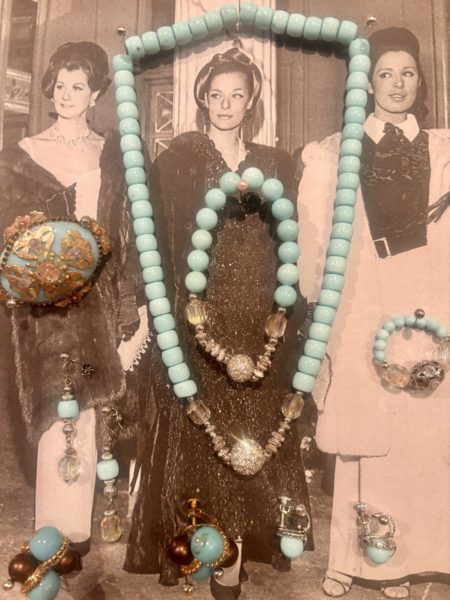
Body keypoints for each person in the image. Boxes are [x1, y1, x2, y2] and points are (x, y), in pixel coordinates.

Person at [124, 47, 314, 598]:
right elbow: (156, 238)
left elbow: (291, 243)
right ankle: (210, 550)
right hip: (200, 318)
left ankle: (241, 545)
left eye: (237, 95)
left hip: (261, 321)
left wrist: (287, 314)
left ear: (252, 102)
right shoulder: (177, 161)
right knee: (202, 436)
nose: (226, 105)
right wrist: (160, 309)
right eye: (216, 95)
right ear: (202, 100)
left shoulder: (276, 164)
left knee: (252, 432)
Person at [297, 28, 450, 599]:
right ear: (366, 83)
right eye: (385, 74)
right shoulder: (335, 152)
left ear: (420, 82)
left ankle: (407, 560)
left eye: (407, 73)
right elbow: (314, 235)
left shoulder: (442, 149)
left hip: (428, 296)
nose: (397, 84)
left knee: (420, 428)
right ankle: (355, 558)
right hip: (364, 297)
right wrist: (323, 302)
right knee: (366, 433)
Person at [0, 41, 142, 548]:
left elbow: (126, 229)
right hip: (43, 298)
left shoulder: (112, 155)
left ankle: (76, 525)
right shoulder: (23, 154)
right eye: (59, 85)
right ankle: (51, 525)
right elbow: (8, 233)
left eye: (77, 86)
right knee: (50, 401)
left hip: (97, 295)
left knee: (87, 402)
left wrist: (128, 296)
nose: (65, 94)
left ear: (96, 93)